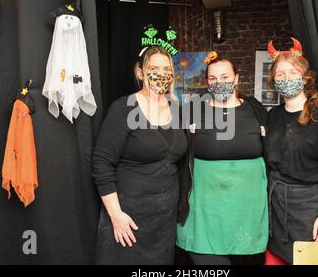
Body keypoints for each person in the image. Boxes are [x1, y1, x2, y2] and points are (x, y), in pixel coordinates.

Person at [92, 46, 188, 264]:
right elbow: (102, 163)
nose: (161, 74)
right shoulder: (123, 108)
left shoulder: (177, 109)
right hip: (128, 216)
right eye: (154, 68)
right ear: (140, 73)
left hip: (164, 218)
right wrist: (116, 215)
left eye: (167, 69)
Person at [176, 52, 269, 265]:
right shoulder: (192, 111)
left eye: (225, 77)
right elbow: (173, 150)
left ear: (236, 78)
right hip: (205, 212)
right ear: (207, 82)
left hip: (248, 214)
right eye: (213, 78)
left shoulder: (256, 110)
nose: (220, 83)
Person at [264, 38, 318, 265]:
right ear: (273, 80)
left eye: (292, 72)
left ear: (305, 77)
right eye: (280, 75)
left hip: (309, 207)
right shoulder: (273, 116)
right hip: (275, 202)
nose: (286, 78)